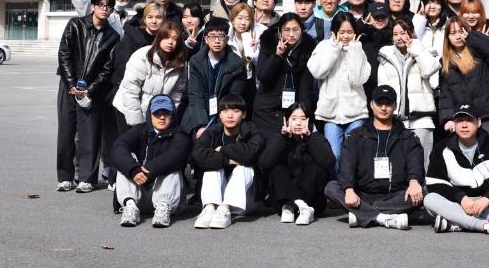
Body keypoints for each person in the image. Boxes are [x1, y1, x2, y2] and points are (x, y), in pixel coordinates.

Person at [324, 85, 425, 230]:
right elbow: (346, 167)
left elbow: (415, 163)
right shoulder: (356, 135)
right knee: (331, 188)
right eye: (379, 103)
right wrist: (349, 189)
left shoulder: (407, 136)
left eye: (388, 103)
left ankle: (363, 214)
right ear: (371, 105)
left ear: (395, 106)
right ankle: (384, 218)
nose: (383, 108)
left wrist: (414, 182)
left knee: (422, 191)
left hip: (396, 195)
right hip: (362, 195)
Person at [55, 0, 120, 193]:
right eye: (101, 5)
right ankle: (65, 177)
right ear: (93, 6)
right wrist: (71, 84)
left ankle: (87, 179)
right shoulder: (75, 25)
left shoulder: (113, 36)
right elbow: (64, 54)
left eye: (108, 6)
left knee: (90, 136)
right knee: (66, 133)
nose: (104, 9)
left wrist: (90, 89)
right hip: (68, 88)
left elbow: (107, 68)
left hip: (93, 91)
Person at [423, 103, 489, 235]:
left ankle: (457, 223)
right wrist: (461, 198)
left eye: (469, 120)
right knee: (430, 199)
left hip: (485, 204)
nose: (464, 125)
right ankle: (483, 225)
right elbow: (435, 183)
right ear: (454, 124)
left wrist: (487, 199)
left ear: (478, 122)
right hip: (456, 203)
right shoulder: (441, 148)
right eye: (460, 121)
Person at [103, 1, 165, 189]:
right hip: (129, 99)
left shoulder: (166, 39)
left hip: (153, 101)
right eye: (150, 17)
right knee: (127, 140)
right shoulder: (131, 38)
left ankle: (145, 179)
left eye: (158, 17)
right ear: (144, 19)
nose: (154, 21)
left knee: (149, 142)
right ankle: (116, 178)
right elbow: (121, 70)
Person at [111, 95, 191, 228]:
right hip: (139, 195)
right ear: (150, 114)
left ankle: (163, 208)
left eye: (166, 113)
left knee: (172, 166)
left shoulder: (180, 133)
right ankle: (130, 206)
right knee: (126, 162)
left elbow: (177, 154)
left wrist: (148, 171)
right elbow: (118, 147)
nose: (162, 117)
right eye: (157, 113)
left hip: (167, 200)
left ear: (172, 115)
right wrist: (134, 170)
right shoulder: (140, 130)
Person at [191, 93, 266, 229]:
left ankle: (225, 210)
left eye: (236, 111)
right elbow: (198, 154)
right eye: (225, 111)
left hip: (244, 199)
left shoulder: (251, 130)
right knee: (212, 168)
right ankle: (209, 209)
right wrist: (228, 161)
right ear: (220, 115)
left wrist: (223, 149)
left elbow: (250, 154)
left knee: (244, 167)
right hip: (218, 196)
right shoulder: (213, 131)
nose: (230, 115)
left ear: (244, 114)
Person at [308, 12, 371, 171]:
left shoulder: (358, 49)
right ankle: (335, 186)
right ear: (334, 32)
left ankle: (352, 185)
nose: (345, 36)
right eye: (341, 32)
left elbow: (358, 80)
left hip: (356, 113)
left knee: (354, 156)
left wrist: (354, 51)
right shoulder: (324, 46)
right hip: (331, 114)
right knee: (333, 156)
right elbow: (317, 72)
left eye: (349, 32)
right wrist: (334, 49)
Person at [376, 17, 440, 168]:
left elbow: (430, 71)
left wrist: (416, 51)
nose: (399, 37)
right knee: (398, 164)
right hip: (396, 120)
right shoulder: (385, 56)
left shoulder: (424, 51)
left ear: (411, 33)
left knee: (422, 164)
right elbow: (382, 88)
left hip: (422, 119)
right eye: (395, 34)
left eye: (403, 33)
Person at [263, 102, 335, 225]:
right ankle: (296, 205)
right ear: (287, 121)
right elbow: (264, 162)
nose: (298, 123)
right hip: (284, 203)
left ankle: (301, 206)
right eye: (294, 118)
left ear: (309, 121)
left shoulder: (316, 138)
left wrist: (309, 138)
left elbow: (329, 162)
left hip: (313, 203)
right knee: (275, 167)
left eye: (303, 119)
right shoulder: (280, 138)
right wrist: (283, 139)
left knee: (317, 168)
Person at [438, 16, 489, 143]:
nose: (458, 36)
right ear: (447, 37)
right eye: (452, 33)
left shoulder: (478, 51)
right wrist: (448, 118)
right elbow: (445, 95)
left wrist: (471, 37)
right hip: (464, 118)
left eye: (461, 31)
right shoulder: (445, 63)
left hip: (488, 114)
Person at [182, 18, 248, 138]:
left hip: (225, 116)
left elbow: (234, 96)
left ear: (227, 39)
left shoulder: (237, 63)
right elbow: (196, 95)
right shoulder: (196, 61)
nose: (217, 41)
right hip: (197, 115)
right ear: (206, 39)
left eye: (221, 36)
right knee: (190, 141)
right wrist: (202, 125)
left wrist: (217, 124)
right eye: (212, 36)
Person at [113, 21, 187, 127]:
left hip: (156, 114)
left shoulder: (181, 63)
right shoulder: (143, 56)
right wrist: (137, 124)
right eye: (166, 37)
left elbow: (176, 95)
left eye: (175, 39)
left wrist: (167, 118)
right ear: (159, 38)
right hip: (128, 110)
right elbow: (130, 91)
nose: (170, 42)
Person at [254, 13, 318, 135]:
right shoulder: (268, 44)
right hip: (266, 109)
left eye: (296, 30)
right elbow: (263, 76)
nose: (291, 34)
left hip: (291, 111)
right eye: (287, 30)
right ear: (280, 31)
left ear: (301, 31)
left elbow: (305, 89)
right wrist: (277, 55)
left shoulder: (307, 50)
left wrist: (305, 117)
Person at [413, 0, 451, 90]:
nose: (432, 6)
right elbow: (411, 40)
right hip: (421, 79)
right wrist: (420, 18)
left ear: (442, 6)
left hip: (444, 78)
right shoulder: (417, 23)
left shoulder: (449, 25)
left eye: (437, 3)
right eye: (428, 2)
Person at [358, 2, 394, 99]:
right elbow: (350, 35)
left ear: (389, 18)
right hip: (365, 91)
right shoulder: (362, 38)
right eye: (376, 17)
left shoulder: (394, 38)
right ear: (369, 17)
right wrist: (362, 23)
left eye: (383, 17)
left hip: (389, 92)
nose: (380, 20)